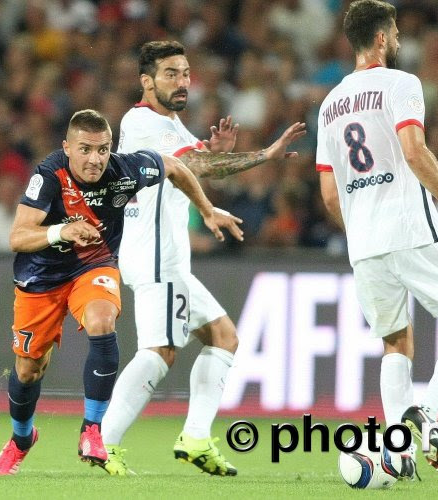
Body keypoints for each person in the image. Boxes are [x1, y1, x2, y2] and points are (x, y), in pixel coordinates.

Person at [0, 109, 242, 475]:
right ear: (67, 148)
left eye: (103, 150)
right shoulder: (48, 176)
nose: (95, 159)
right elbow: (18, 236)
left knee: (101, 321)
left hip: (94, 266)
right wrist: (63, 231)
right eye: (86, 150)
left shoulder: (124, 170)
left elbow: (174, 167)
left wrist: (206, 210)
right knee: (29, 369)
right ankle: (21, 439)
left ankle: (92, 429)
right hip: (42, 278)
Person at [99, 40, 306, 476]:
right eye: (170, 73)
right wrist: (263, 156)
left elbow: (198, 162)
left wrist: (213, 152)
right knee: (159, 351)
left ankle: (194, 437)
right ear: (146, 81)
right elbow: (199, 169)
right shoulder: (140, 122)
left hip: (168, 258)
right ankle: (104, 442)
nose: (182, 81)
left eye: (186, 72)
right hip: (155, 254)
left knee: (224, 336)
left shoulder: (171, 125)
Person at [317, 0, 438, 476]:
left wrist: (363, 229)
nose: (397, 39)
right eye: (393, 32)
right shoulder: (401, 83)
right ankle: (428, 412)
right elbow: (414, 151)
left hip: (364, 245)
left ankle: (399, 455)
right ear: (379, 39)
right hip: (411, 228)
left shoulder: (330, 104)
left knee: (396, 343)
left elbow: (330, 196)